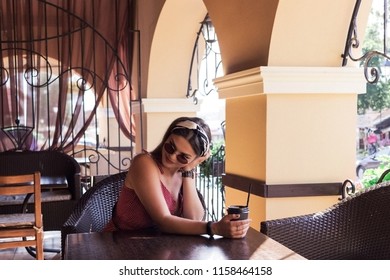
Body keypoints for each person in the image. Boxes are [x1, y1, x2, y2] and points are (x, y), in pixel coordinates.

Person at [104, 116, 251, 238]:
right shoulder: (144, 163)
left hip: (159, 248)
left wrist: (188, 170)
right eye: (170, 146)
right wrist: (215, 228)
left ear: (194, 160)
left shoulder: (183, 172)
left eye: (183, 157)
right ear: (166, 138)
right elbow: (163, 220)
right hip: (120, 246)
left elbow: (193, 218)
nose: (172, 157)